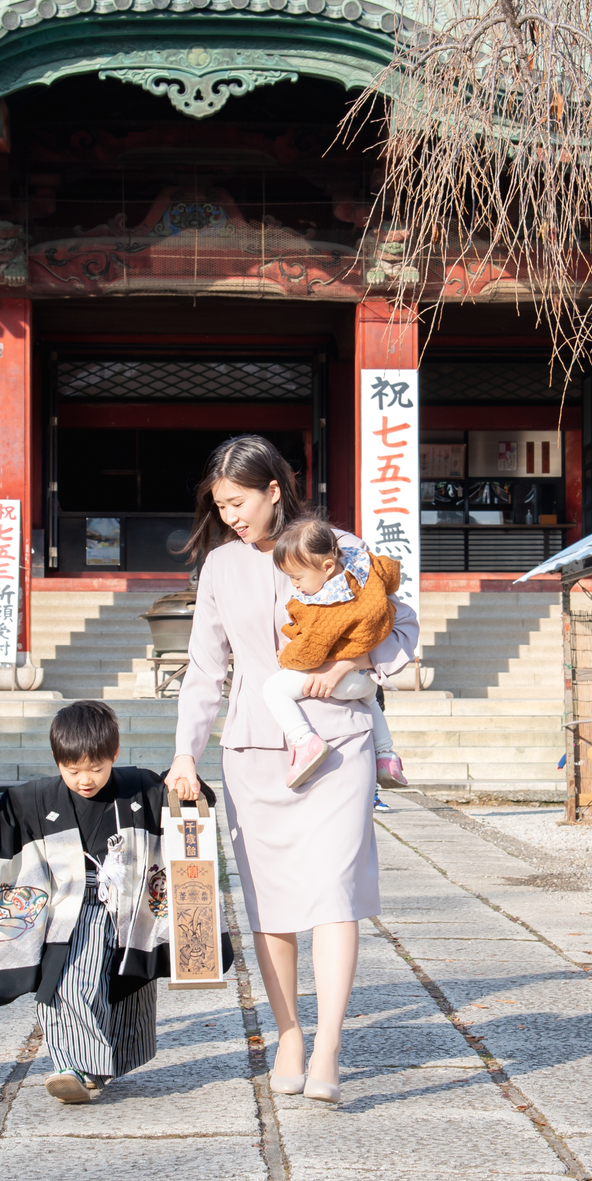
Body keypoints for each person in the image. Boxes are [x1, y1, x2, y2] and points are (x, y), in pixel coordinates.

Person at [165, 435, 417, 1105]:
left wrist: (350, 665)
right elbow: (204, 669)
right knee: (270, 903)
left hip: (336, 742)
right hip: (253, 746)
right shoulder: (219, 566)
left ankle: (330, 1040)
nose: (231, 516)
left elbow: (401, 624)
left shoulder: (344, 545)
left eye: (239, 501)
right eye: (221, 506)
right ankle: (289, 1033)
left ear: (275, 487)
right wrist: (185, 751)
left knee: (335, 890)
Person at [0, 700, 225, 1104]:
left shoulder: (140, 786)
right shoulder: (39, 795)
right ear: (57, 761)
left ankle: (90, 1066)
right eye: (73, 770)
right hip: (66, 910)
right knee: (66, 982)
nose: (85, 780)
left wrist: (185, 784)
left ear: (114, 756)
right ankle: (75, 1067)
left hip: (126, 910)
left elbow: (185, 805)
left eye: (96, 769)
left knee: (117, 987)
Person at [263, 515, 408, 790]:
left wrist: (286, 656)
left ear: (327, 566)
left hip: (339, 681)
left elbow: (310, 653)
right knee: (372, 703)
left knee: (273, 689)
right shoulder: (364, 567)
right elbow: (390, 571)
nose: (294, 584)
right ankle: (387, 756)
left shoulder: (325, 605)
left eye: (297, 577)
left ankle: (304, 742)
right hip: (365, 678)